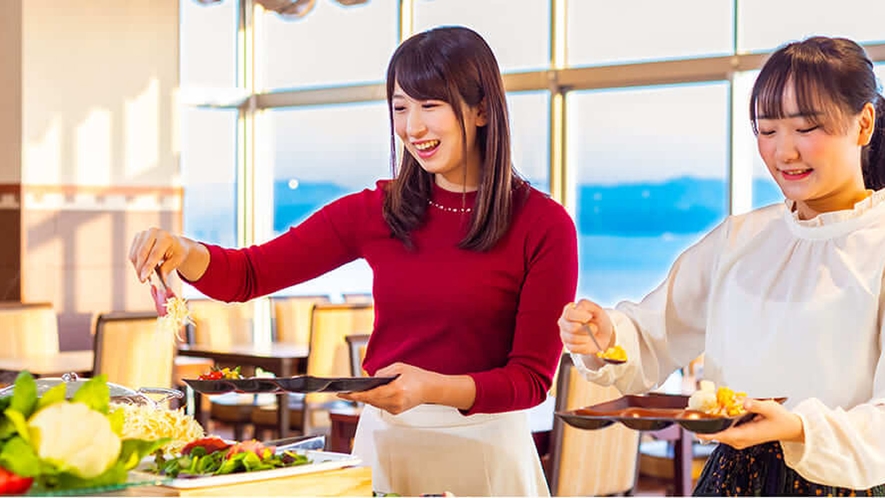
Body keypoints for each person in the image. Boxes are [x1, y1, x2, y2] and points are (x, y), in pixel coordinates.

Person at [130, 26, 577, 496]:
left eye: (430, 106)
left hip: (487, 454)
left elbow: (529, 380)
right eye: (400, 108)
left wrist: (431, 388)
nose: (412, 128)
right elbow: (249, 274)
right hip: (385, 446)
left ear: (482, 109)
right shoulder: (377, 212)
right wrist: (182, 250)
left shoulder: (543, 225)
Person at [558, 36, 885, 496]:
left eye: (807, 128)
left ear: (864, 123)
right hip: (731, 480)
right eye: (767, 131)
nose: (784, 152)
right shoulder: (740, 238)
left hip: (840, 486)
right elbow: (654, 333)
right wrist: (605, 333)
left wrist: (794, 428)